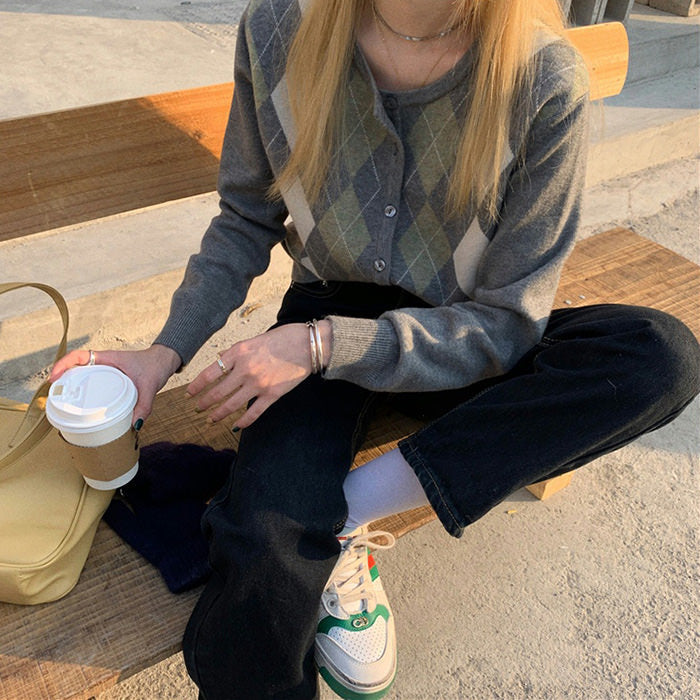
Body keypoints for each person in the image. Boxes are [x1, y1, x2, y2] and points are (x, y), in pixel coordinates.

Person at [51, 0, 700, 698]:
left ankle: (346, 516)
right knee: (262, 558)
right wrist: (164, 352)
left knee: (656, 356)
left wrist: (325, 347)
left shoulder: (541, 78)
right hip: (322, 316)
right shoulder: (278, 30)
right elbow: (245, 218)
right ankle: (307, 533)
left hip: (460, 332)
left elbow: (510, 321)